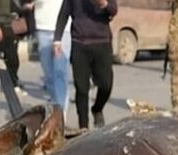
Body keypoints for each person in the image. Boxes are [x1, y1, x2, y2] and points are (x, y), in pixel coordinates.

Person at [54, 0, 117, 131]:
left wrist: (104, 4)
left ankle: (97, 109)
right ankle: (83, 126)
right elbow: (64, 14)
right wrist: (57, 40)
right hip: (80, 43)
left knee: (106, 84)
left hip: (102, 43)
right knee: (82, 88)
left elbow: (113, 10)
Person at [33, 0, 71, 118]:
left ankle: (61, 111)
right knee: (49, 75)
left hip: (63, 28)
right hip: (42, 26)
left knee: (60, 71)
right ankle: (55, 106)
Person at [0, 0, 28, 95]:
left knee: (12, 59)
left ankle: (13, 83)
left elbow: (16, 9)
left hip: (9, 30)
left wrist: (20, 11)